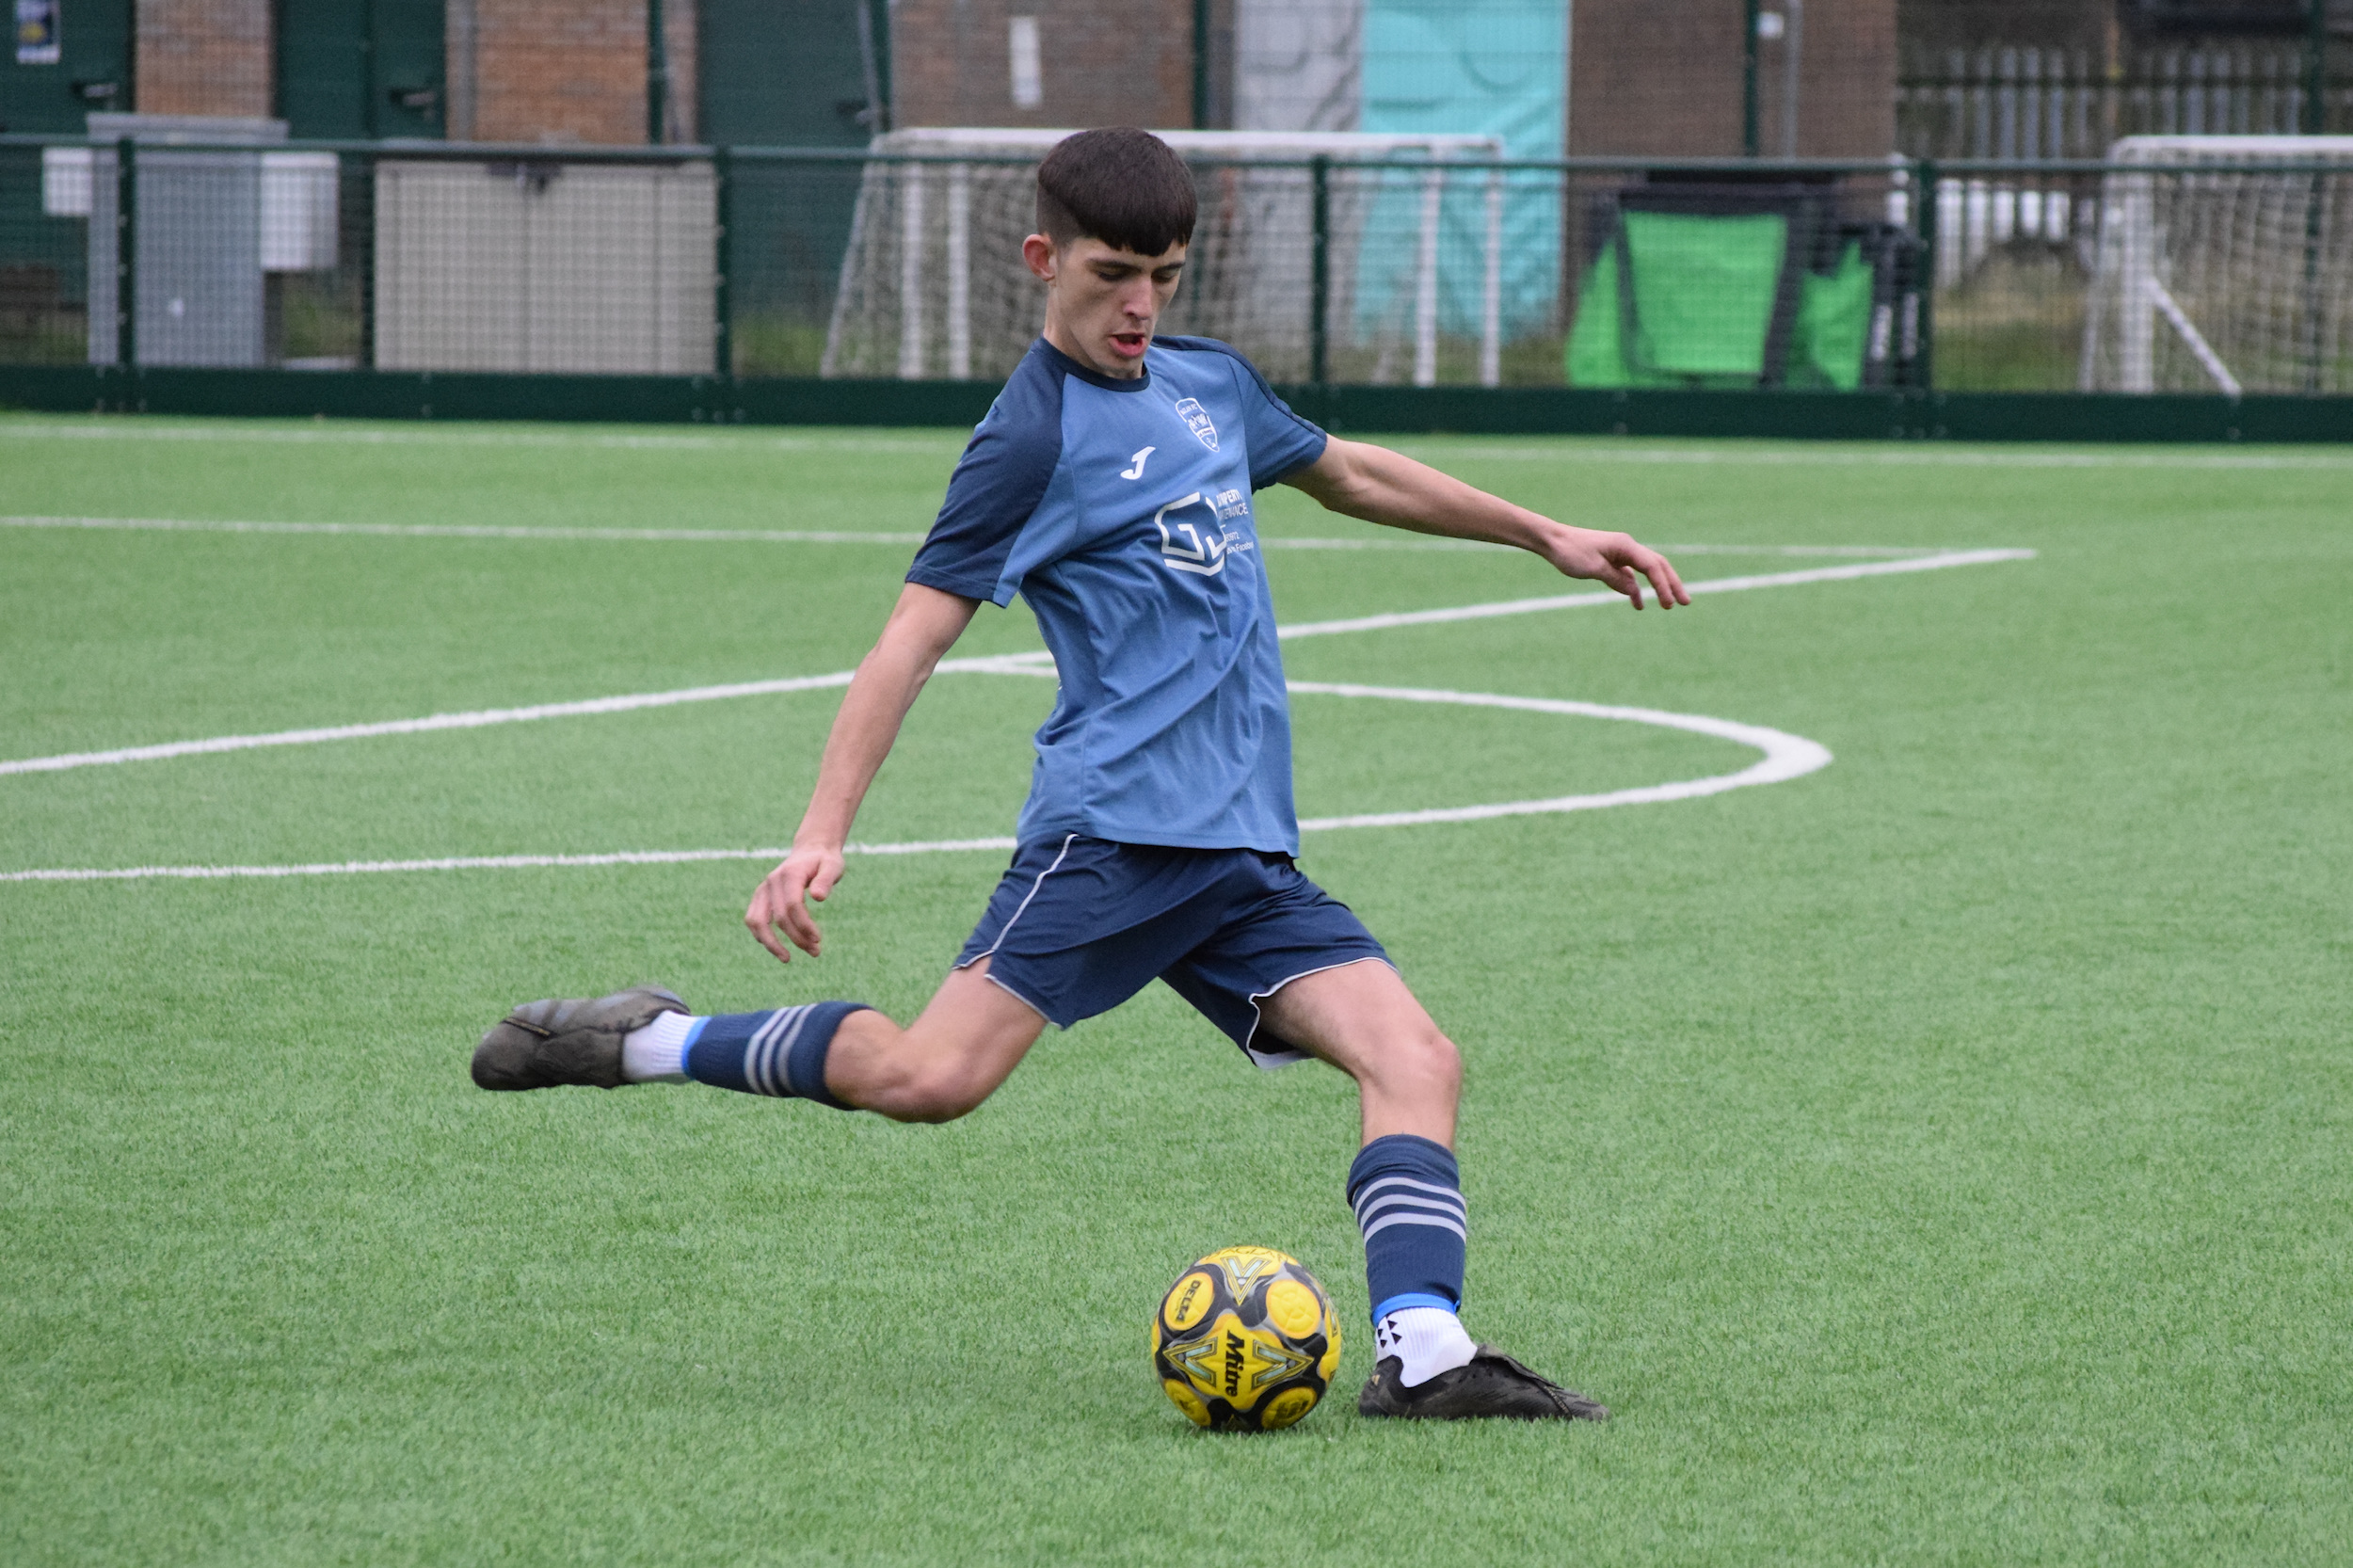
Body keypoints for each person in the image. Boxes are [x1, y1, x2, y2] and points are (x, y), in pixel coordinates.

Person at [472, 127, 1688, 1421]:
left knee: (1416, 1056)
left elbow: (1348, 472)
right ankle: (646, 1040)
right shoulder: (1028, 438)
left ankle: (1427, 1350)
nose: (1141, 304)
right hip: (1111, 839)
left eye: (1164, 273)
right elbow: (910, 638)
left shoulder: (1207, 385)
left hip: (1236, 854)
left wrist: (1543, 531)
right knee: (930, 1080)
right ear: (1044, 259)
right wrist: (821, 828)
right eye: (1114, 273)